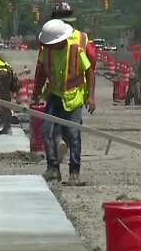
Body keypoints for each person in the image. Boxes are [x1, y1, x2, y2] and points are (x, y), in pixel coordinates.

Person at [32, 19, 96, 186]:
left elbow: (89, 71)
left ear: (60, 40)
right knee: (46, 130)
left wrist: (91, 97)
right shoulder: (46, 52)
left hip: (74, 97)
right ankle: (53, 169)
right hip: (55, 94)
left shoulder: (75, 50)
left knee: (73, 133)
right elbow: (41, 74)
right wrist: (36, 94)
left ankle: (74, 172)